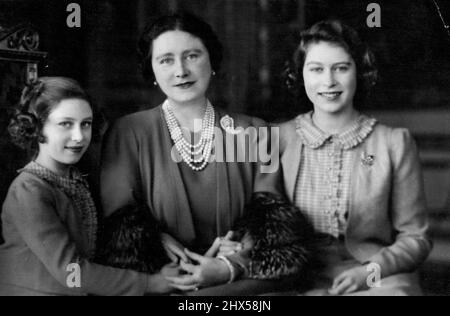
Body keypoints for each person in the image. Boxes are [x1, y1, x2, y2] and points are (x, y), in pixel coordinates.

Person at [100, 12, 306, 294]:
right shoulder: (127, 133)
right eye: (166, 60)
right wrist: (156, 242)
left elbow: (274, 231)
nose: (181, 70)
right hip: (163, 281)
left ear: (212, 61)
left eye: (192, 56)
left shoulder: (256, 131)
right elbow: (118, 224)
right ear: (152, 71)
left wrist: (230, 265)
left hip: (239, 283)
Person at [279, 20, 432, 295]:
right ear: (300, 75)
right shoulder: (278, 140)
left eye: (341, 68)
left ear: (359, 72)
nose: (329, 81)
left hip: (377, 274)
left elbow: (416, 237)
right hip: (295, 276)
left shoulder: (394, 142)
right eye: (316, 69)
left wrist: (369, 273)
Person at [0, 77, 178, 296]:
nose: (79, 136)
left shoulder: (76, 179)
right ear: (36, 127)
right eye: (65, 124)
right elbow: (71, 272)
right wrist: (150, 284)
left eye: (85, 124)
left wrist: (158, 239)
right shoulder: (28, 191)